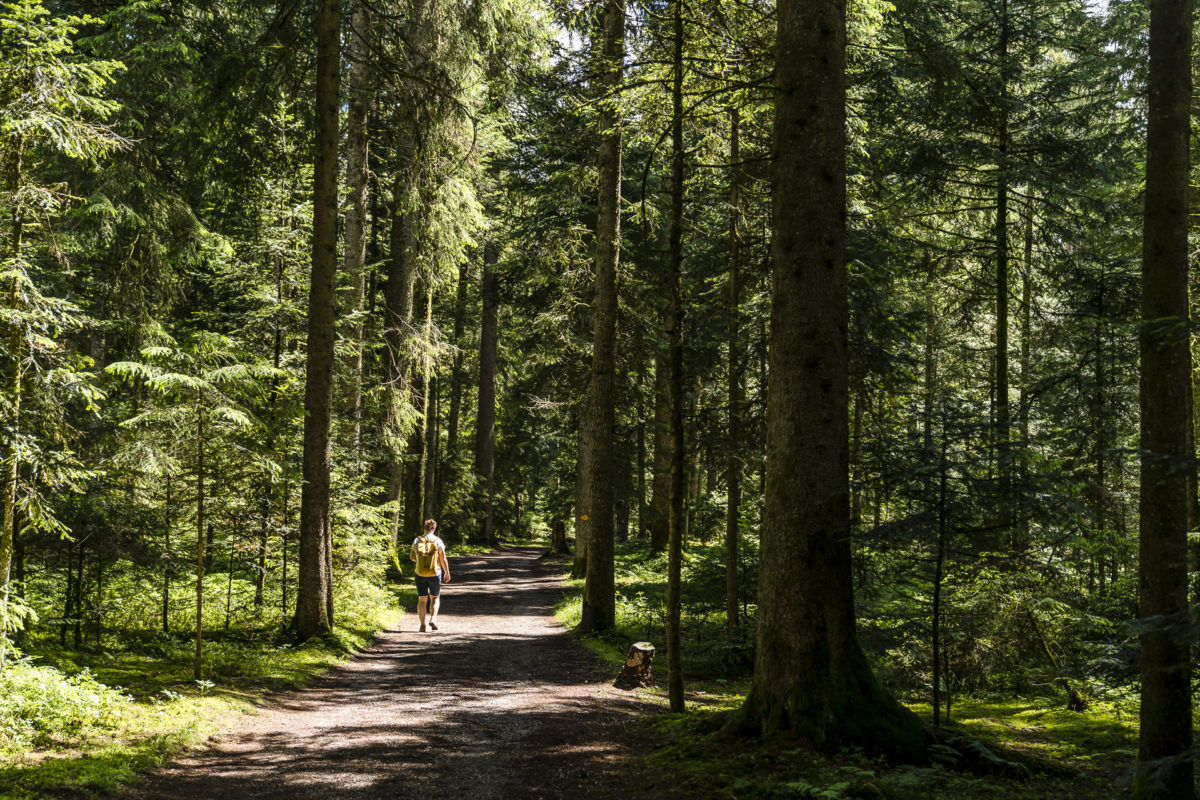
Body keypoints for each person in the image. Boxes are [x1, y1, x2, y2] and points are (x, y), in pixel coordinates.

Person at [409, 519, 451, 632]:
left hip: (420, 573)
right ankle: (433, 619)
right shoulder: (438, 541)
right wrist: (447, 572)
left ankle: (422, 625)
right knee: (435, 597)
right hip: (435, 572)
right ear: (434, 528)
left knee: (422, 600)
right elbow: (443, 559)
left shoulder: (417, 540)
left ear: (424, 527)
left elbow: (412, 558)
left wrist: (421, 562)